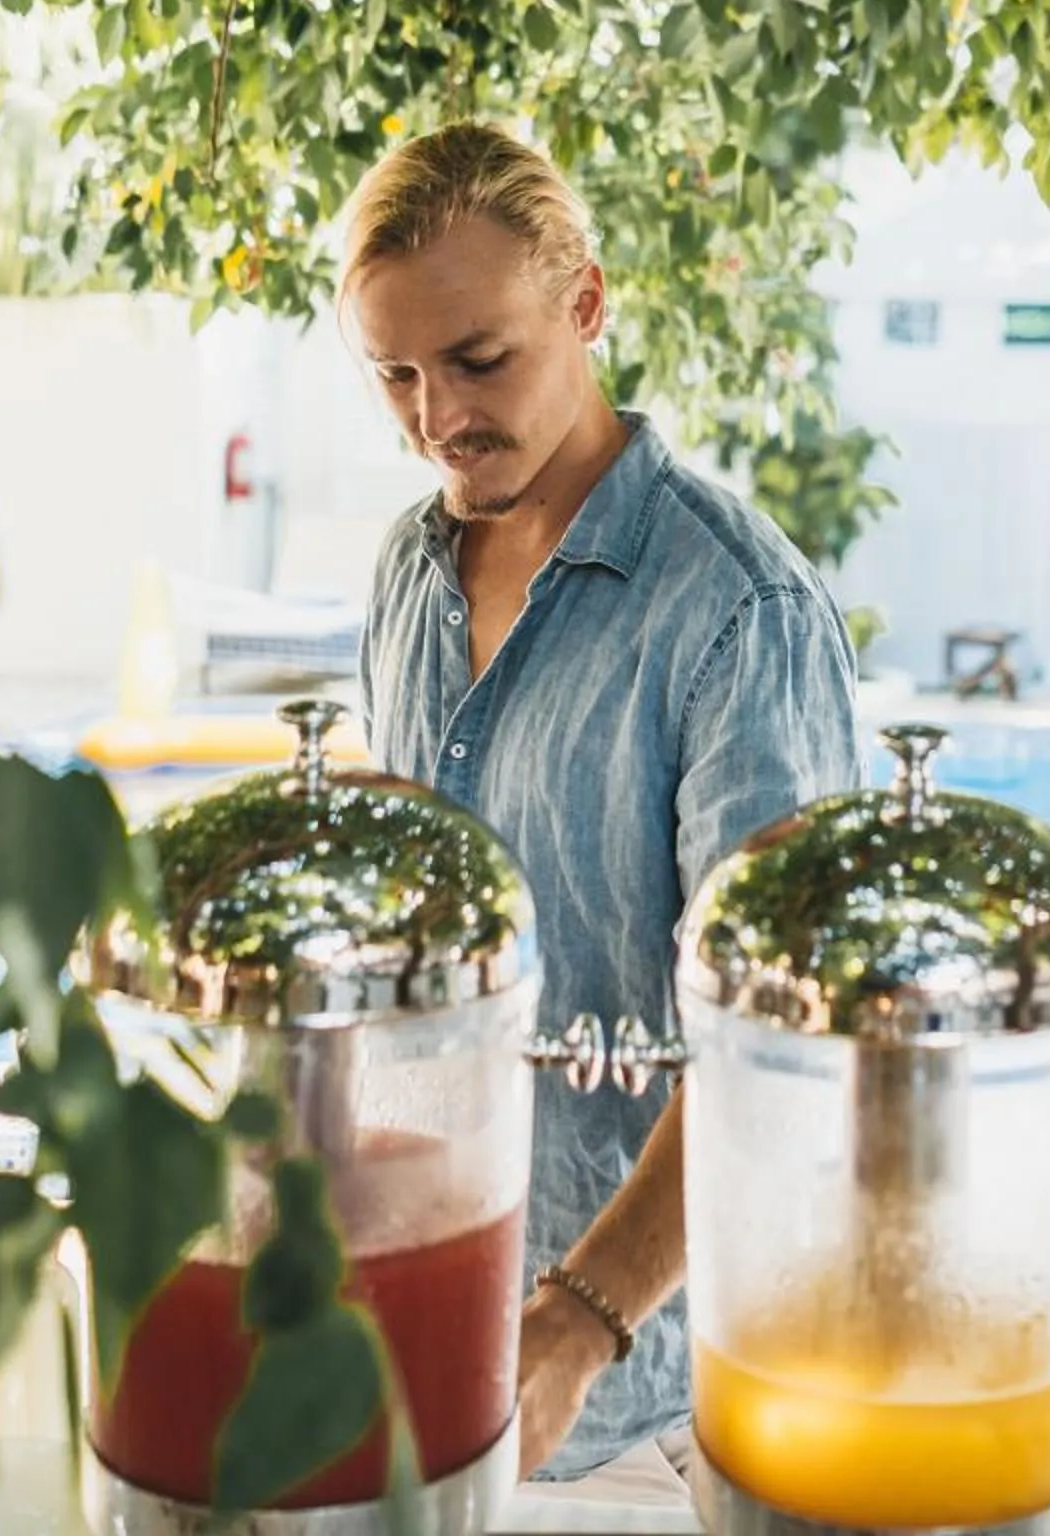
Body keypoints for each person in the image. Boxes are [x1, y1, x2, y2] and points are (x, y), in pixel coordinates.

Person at [344, 121, 864, 1490]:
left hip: (655, 1406)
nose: (436, 415)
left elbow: (786, 1046)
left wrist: (579, 1322)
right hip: (428, 1339)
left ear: (585, 303)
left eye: (478, 359)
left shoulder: (739, 613)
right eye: (394, 373)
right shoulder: (409, 570)